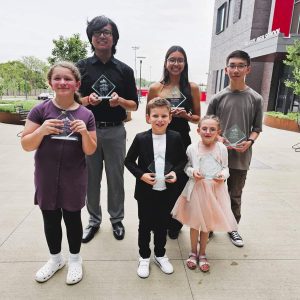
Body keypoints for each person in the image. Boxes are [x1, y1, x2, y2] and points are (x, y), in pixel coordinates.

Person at [21, 61, 97, 284]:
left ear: (77, 84)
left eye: (68, 79)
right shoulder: (40, 110)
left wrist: (84, 133)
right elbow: (26, 144)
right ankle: (55, 259)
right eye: (58, 78)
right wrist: (43, 130)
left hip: (74, 175)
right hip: (46, 174)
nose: (63, 82)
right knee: (50, 217)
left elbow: (90, 150)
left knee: (73, 218)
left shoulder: (86, 114)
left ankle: (75, 260)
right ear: (50, 82)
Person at [76, 15, 138, 243]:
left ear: (114, 38)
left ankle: (116, 220)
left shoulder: (125, 70)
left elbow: (134, 104)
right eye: (97, 32)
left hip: (115, 131)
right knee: (91, 178)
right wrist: (86, 101)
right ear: (91, 38)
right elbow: (71, 101)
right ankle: (93, 221)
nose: (102, 36)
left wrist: (120, 101)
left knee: (115, 177)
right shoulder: (80, 68)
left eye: (107, 32)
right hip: (88, 131)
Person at [124, 98, 187, 278]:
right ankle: (144, 256)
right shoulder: (141, 138)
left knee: (162, 224)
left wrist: (176, 172)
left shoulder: (175, 137)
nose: (160, 119)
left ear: (170, 118)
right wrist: (141, 175)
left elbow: (182, 160)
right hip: (145, 192)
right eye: (155, 115)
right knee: (144, 225)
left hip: (167, 192)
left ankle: (160, 254)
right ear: (147, 118)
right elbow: (128, 161)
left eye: (164, 116)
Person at [206, 50, 263, 247]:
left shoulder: (255, 98)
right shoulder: (217, 98)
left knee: (235, 195)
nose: (236, 69)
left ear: (248, 69)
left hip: (241, 157)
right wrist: (218, 137)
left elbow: (257, 129)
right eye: (232, 66)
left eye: (240, 66)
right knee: (213, 193)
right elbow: (207, 126)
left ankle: (233, 228)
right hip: (216, 157)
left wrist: (250, 141)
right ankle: (211, 226)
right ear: (226, 69)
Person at [172, 115, 238, 272]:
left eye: (212, 129)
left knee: (207, 224)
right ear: (198, 130)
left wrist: (223, 175)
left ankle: (203, 253)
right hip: (197, 189)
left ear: (218, 132)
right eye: (205, 128)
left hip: (214, 190)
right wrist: (193, 171)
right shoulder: (192, 148)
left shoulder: (221, 149)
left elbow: (226, 167)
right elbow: (186, 167)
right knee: (195, 223)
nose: (208, 132)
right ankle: (193, 252)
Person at [147, 45, 200, 240]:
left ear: (185, 64)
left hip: (182, 140)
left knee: (179, 182)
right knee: (159, 178)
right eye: (172, 59)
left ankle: (175, 223)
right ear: (166, 62)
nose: (176, 63)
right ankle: (158, 219)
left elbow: (197, 118)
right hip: (159, 138)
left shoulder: (192, 87)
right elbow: (148, 115)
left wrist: (186, 115)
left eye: (180, 60)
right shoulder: (156, 88)